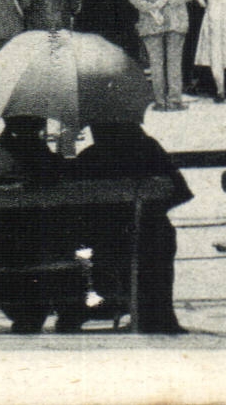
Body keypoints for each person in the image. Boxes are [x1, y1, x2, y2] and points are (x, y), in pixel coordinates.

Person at [65, 121, 192, 334]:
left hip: (105, 238)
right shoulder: (149, 148)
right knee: (161, 234)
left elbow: (73, 203)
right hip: (151, 232)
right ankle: (157, 314)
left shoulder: (90, 156)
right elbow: (181, 191)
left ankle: (92, 306)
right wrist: (149, 210)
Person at [0, 116, 81, 333]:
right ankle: (64, 309)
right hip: (43, 245)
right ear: (39, 128)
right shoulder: (49, 159)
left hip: (0, 249)